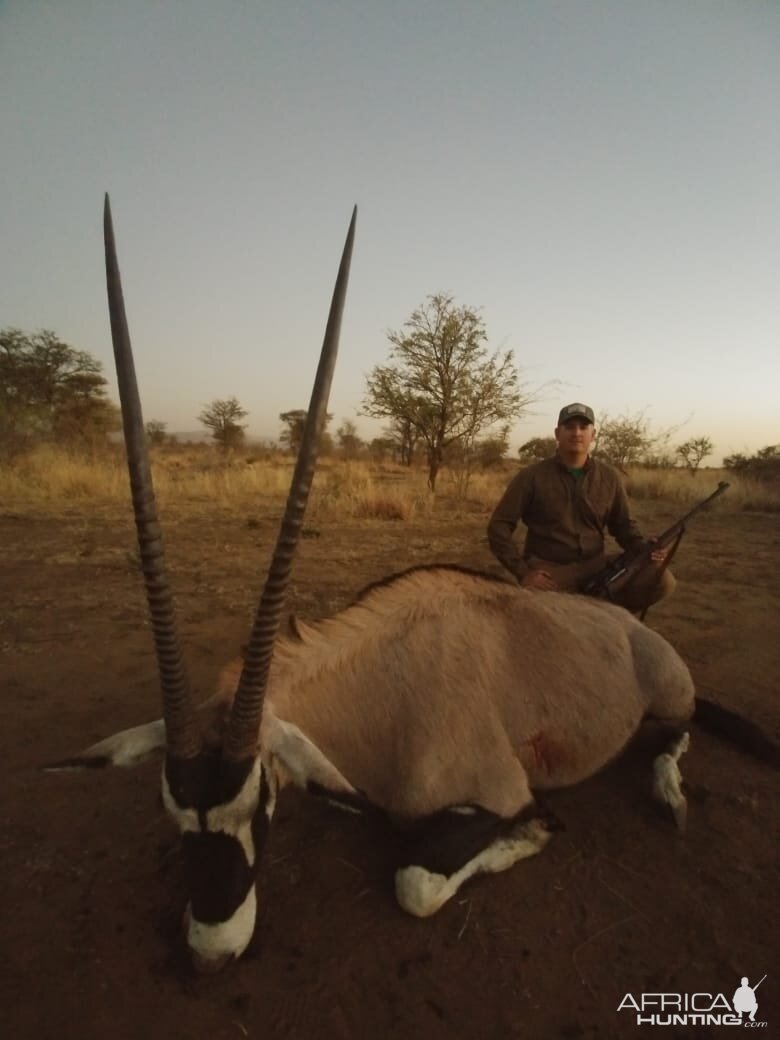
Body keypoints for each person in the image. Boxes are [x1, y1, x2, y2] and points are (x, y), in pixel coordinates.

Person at [487, 402, 675, 614]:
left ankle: (613, 618)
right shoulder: (531, 476)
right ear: (558, 433)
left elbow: (623, 526)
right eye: (569, 427)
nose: (576, 433)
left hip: (597, 567)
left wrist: (644, 549)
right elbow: (499, 526)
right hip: (550, 571)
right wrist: (523, 573)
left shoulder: (609, 477)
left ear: (593, 434)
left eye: (583, 427)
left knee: (662, 580)